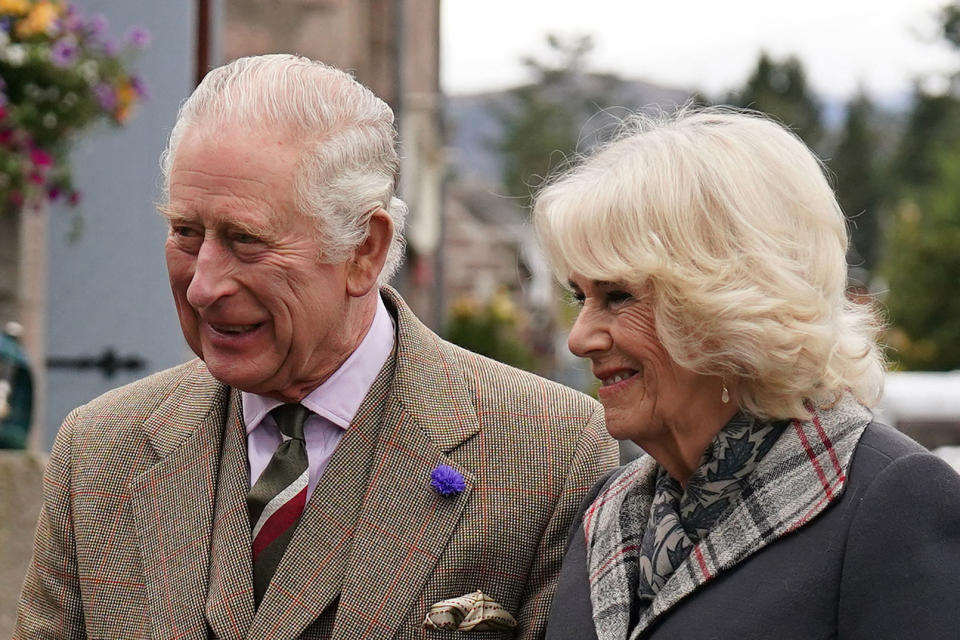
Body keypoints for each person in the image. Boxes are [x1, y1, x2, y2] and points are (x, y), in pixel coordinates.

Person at [14, 54, 618, 640]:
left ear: (364, 250)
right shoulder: (100, 451)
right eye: (186, 233)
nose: (203, 286)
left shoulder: (547, 449)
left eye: (246, 239)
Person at [532, 107, 960, 640]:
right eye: (580, 296)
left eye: (618, 296)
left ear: (735, 303)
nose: (579, 337)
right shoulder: (605, 515)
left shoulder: (895, 502)